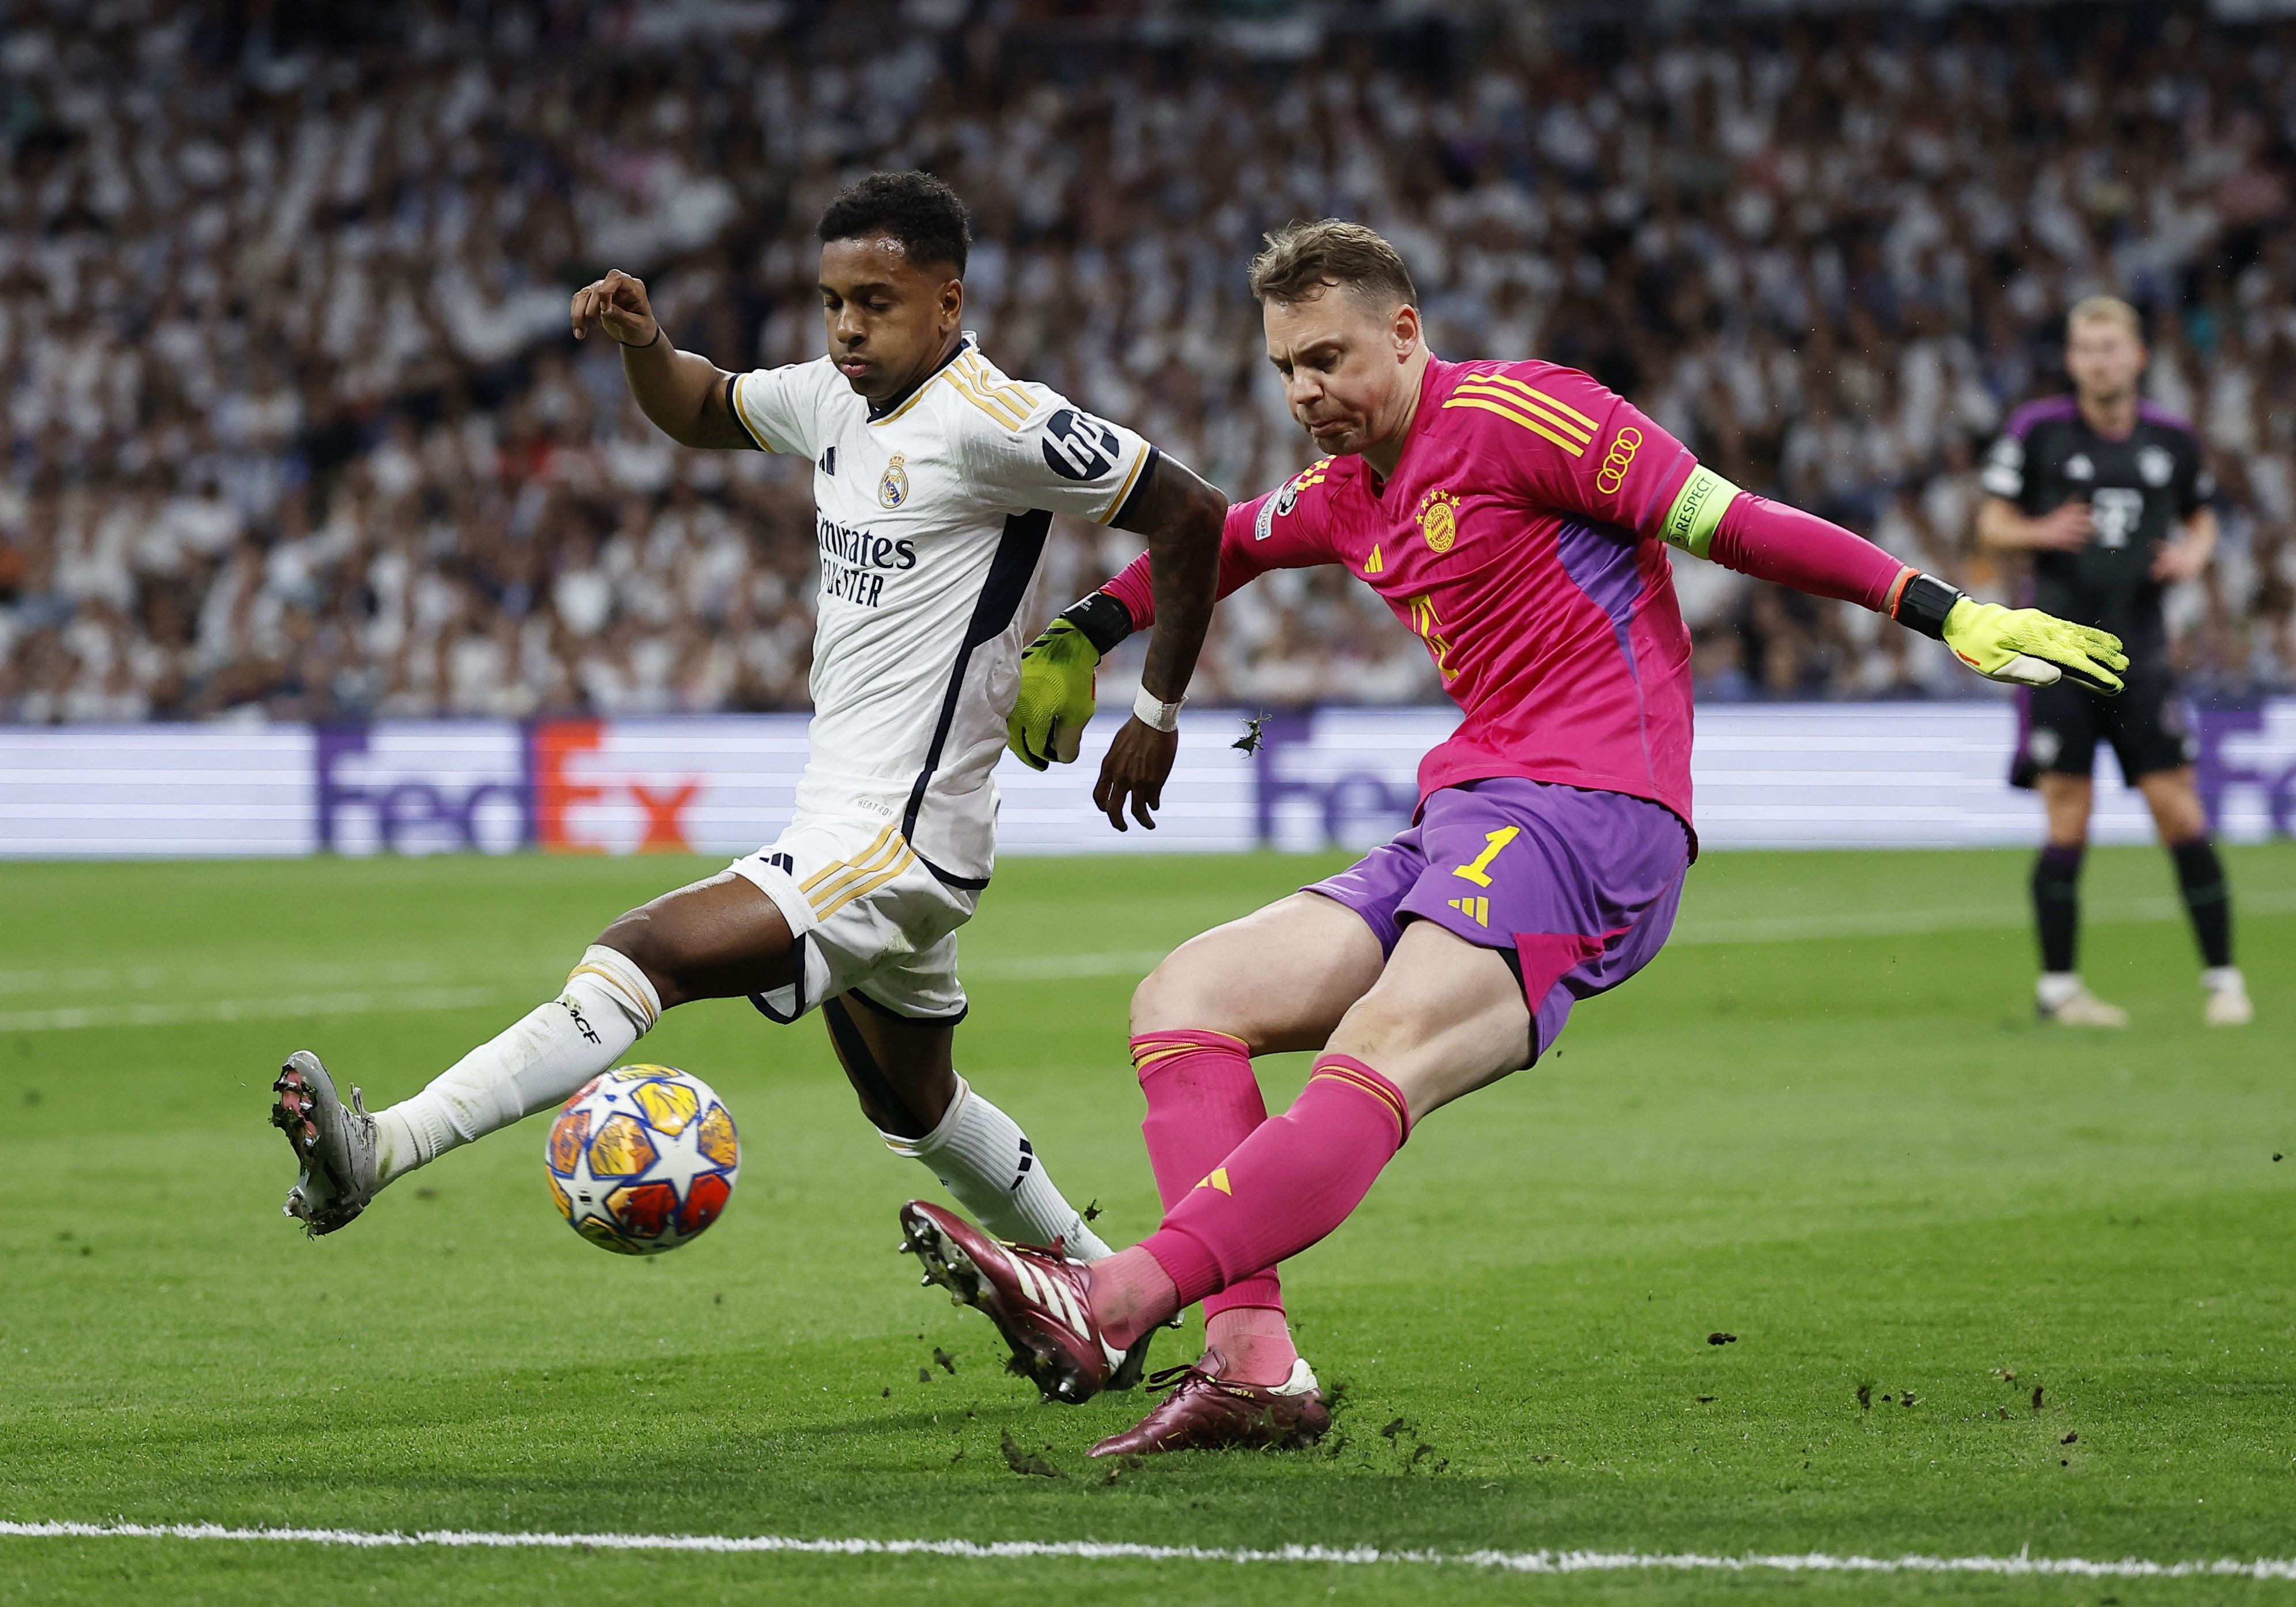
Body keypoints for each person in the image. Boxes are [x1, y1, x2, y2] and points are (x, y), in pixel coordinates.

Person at [897, 218, 2125, 1449]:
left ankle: (1109, 1301)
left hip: (1596, 812)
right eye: (1283, 369)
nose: (1304, 392)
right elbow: (1216, 540)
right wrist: (1090, 628)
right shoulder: (1348, 490)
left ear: (1405, 330)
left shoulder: (1525, 418)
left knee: (1382, 1045)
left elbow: (1733, 520)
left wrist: (1944, 611)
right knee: (1184, 998)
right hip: (1473, 811)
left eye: (1326, 358)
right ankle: (1251, 1367)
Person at [268, 173, 1224, 1374]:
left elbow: (1196, 513)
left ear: (947, 300)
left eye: (874, 302)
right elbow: (705, 408)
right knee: (916, 1108)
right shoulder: (833, 397)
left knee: (643, 951)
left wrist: (1155, 703)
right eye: (830, 302)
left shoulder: (1001, 419)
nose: (845, 328)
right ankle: (1114, 1301)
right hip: (853, 823)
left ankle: (381, 1151)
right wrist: (646, 343)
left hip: (898, 839)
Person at [1977, 296, 2251, 1028]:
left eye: (2110, 347)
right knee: (2068, 816)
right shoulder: (2036, 432)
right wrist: (2040, 528)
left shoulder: (2172, 439)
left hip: (2143, 654)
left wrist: (2195, 550)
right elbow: (1990, 523)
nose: (2098, 360)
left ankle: (2223, 980)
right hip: (2055, 655)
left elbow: (2201, 514)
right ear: (2070, 361)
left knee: (2177, 807)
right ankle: (2058, 991)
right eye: (2085, 349)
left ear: (2136, 356)